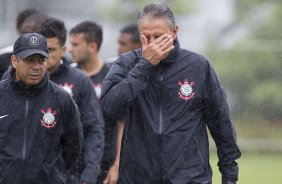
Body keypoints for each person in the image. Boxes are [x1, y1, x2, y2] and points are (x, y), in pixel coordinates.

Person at [100, 3, 241, 184]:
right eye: (146, 37)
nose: (152, 44)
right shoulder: (127, 64)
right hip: (138, 178)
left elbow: (222, 125)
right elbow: (108, 107)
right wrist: (145, 66)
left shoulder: (198, 66)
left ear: (174, 32)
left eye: (158, 36)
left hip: (190, 178)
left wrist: (229, 177)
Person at [0, 32, 83, 183]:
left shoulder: (62, 99)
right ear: (14, 60)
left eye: (41, 60)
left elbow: (73, 148)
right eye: (29, 60)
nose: (36, 67)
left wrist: (52, 174)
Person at [37, 18, 105, 184]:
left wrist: (89, 173)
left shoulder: (79, 81)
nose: (45, 56)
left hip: (67, 173)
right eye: (41, 50)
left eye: (51, 50)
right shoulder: (22, 79)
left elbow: (94, 128)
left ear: (63, 50)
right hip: (29, 172)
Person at [69, 21, 122, 184]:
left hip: (105, 164)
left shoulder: (112, 77)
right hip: (71, 164)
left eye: (76, 44)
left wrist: (117, 164)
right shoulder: (67, 76)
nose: (70, 49)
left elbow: (122, 123)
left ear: (92, 46)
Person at [0, 9, 48, 79]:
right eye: (25, 33)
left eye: (36, 35)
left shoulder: (61, 65)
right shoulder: (3, 60)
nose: (31, 39)